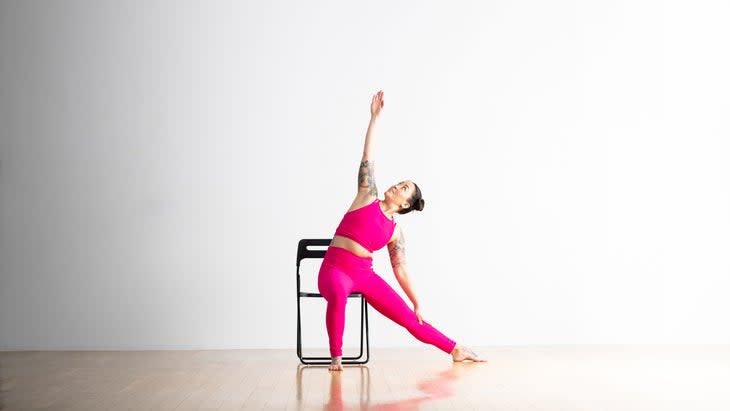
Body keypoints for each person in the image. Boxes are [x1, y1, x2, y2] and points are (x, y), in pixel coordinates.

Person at [318, 90, 486, 371]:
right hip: (334, 269)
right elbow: (367, 156)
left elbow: (401, 270)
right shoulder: (367, 195)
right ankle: (336, 356)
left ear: (405, 204)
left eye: (403, 188)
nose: (397, 185)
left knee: (410, 318)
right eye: (400, 182)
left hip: (363, 274)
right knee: (337, 292)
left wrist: (416, 301)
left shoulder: (395, 233)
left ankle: (455, 348)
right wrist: (374, 119)